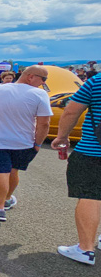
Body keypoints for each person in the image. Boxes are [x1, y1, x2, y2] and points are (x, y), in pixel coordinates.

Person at [0, 65, 52, 221]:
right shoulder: (39, 94)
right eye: (43, 79)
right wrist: (38, 143)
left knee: (2, 172)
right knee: (13, 171)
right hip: (23, 141)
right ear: (31, 76)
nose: (43, 83)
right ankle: (5, 200)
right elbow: (44, 123)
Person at [51, 70, 101, 265]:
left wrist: (62, 137)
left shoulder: (96, 81)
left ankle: (85, 248)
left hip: (93, 150)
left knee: (90, 195)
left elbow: (72, 110)